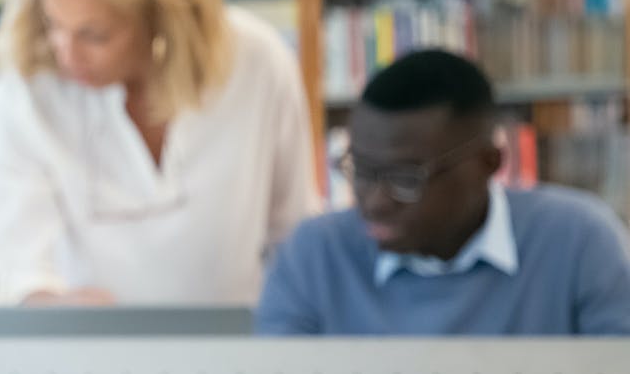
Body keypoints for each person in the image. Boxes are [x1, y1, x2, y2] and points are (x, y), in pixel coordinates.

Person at [0, 0, 317, 305]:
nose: (66, 53)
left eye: (94, 35)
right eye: (53, 25)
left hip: (243, 350)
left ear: (162, 23)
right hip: (81, 356)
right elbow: (21, 272)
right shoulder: (23, 93)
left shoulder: (258, 62)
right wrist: (52, 306)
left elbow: (294, 235)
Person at [257, 49, 630, 335]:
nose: (375, 201)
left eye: (405, 178)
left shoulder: (579, 241)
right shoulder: (315, 254)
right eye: (361, 170)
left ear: (489, 162)